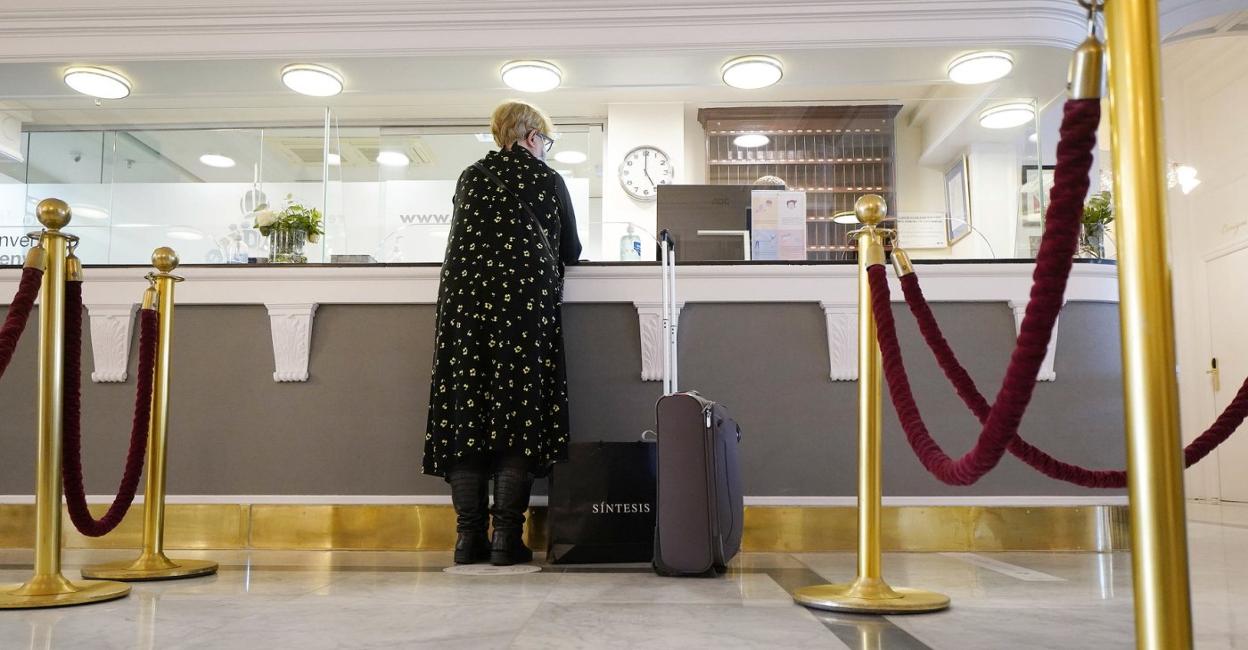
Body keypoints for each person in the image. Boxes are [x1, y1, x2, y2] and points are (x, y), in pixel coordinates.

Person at [423, 100, 582, 566]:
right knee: (519, 409)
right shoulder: (548, 180)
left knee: (465, 410)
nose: (547, 149)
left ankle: (466, 539)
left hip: (464, 307)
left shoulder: (471, 176)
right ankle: (505, 539)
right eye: (546, 141)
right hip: (523, 307)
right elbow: (570, 249)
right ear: (532, 138)